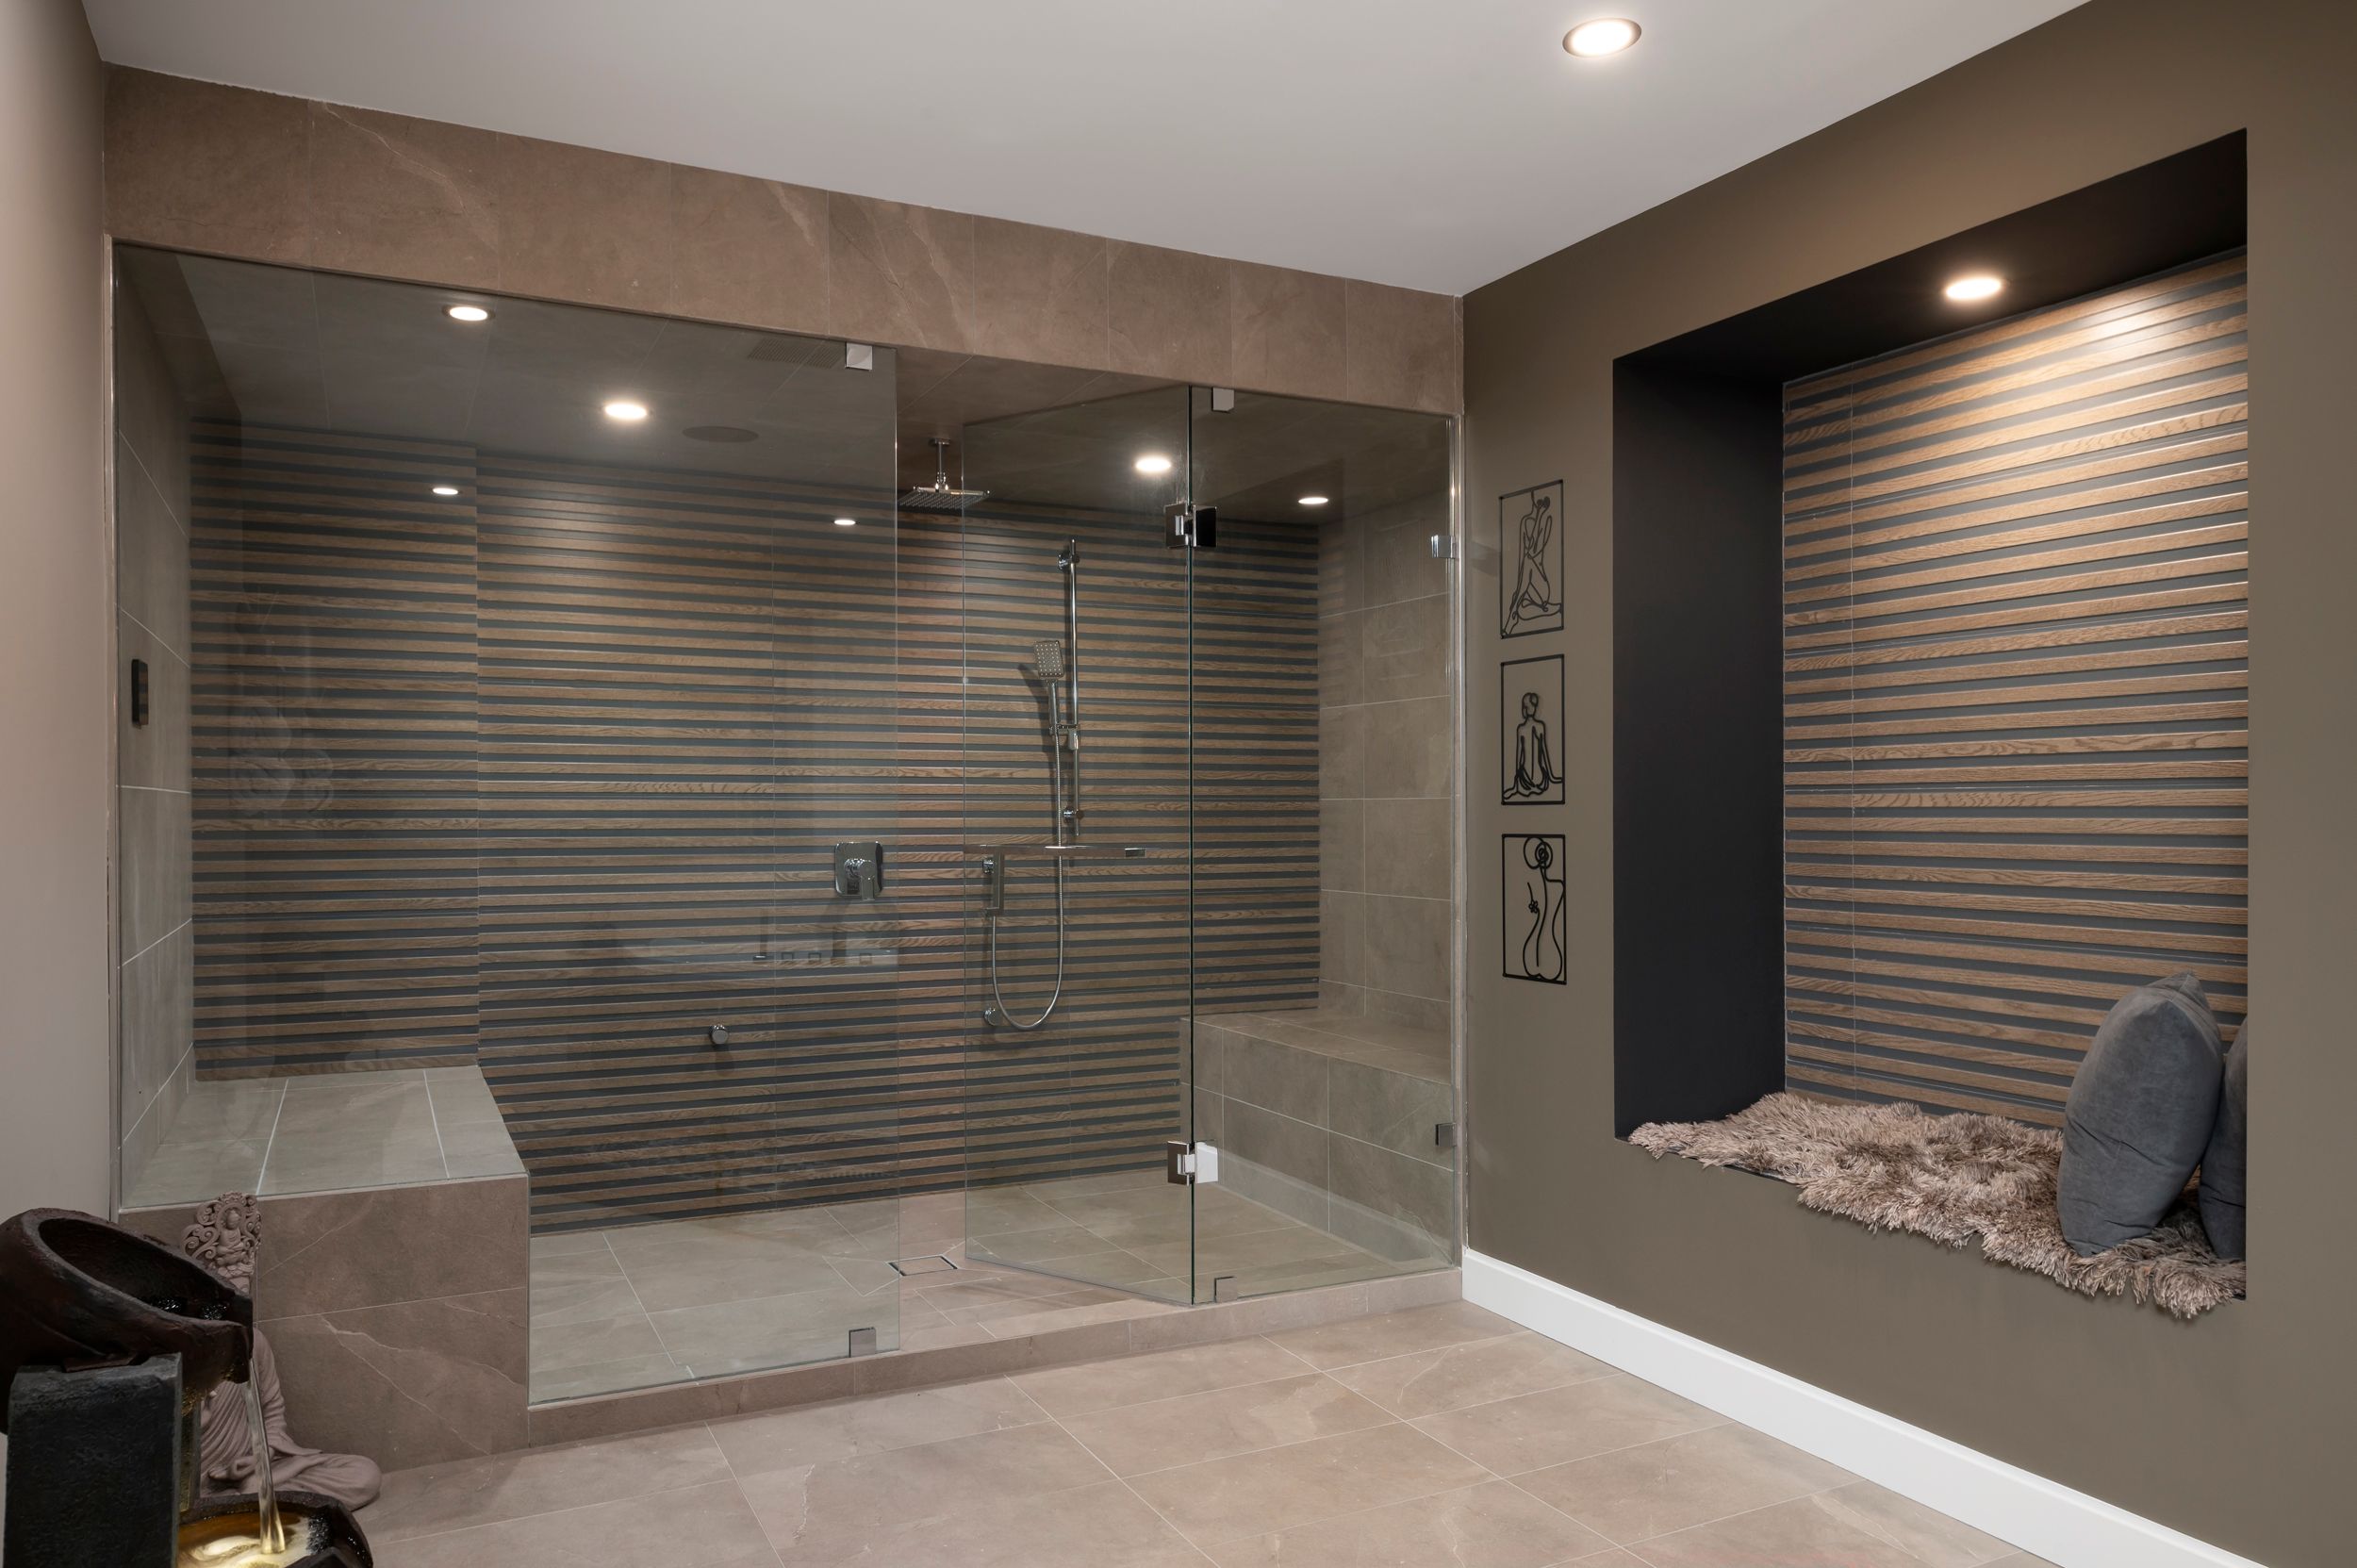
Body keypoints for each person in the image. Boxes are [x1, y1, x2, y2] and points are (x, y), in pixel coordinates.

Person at [1504, 490, 1560, 635]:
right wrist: (1517, 590)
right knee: (1526, 561)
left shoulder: (1546, 521)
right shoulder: (1525, 521)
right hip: (1528, 589)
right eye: (1538, 496)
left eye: (1543, 498)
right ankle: (1516, 607)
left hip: (1541, 588)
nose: (1540, 500)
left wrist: (1540, 516)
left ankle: (1513, 614)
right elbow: (1521, 558)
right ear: (1533, 498)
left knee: (1529, 560)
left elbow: (1534, 550)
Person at [1508, 688, 1558, 800]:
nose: (1526, 709)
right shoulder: (1523, 729)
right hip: (1530, 778)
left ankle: (1529, 785)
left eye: (1528, 706)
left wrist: (1552, 776)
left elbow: (1543, 752)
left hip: (1534, 778)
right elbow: (1520, 757)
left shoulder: (1534, 727)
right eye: (1525, 706)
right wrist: (1515, 782)